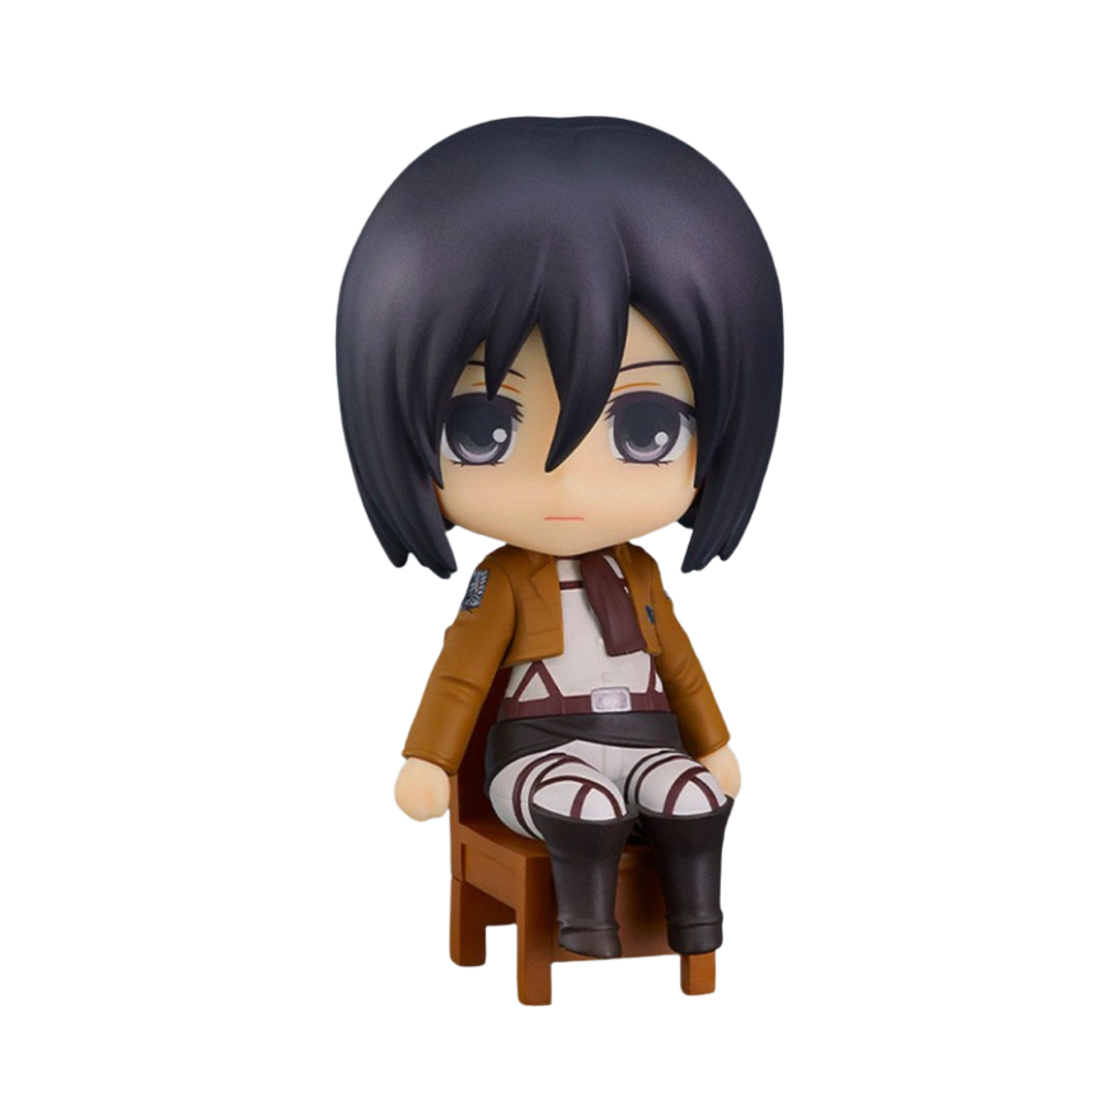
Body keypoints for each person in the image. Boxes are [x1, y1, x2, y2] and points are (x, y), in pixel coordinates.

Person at [335, 114, 784, 961]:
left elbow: (681, 668)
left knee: (692, 797)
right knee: (582, 806)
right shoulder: (502, 583)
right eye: (481, 429)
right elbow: (461, 675)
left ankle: (697, 930)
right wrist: (428, 761)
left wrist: (716, 743)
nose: (568, 485)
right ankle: (583, 934)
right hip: (538, 754)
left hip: (643, 742)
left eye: (646, 427)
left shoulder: (641, 577)